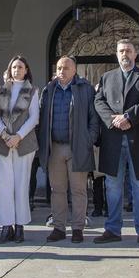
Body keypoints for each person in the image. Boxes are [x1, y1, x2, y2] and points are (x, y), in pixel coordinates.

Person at [93, 39, 139, 246]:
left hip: (138, 139)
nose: (124, 54)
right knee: (112, 186)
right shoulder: (107, 77)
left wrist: (129, 117)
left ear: (135, 54)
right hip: (113, 139)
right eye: (121, 51)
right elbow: (98, 101)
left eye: (128, 50)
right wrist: (113, 119)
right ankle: (112, 229)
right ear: (116, 54)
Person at [38, 55, 100, 244]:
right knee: (57, 189)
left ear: (75, 70)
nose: (61, 71)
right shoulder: (49, 90)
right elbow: (41, 118)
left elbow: (94, 119)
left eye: (65, 68)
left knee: (79, 190)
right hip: (55, 147)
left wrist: (88, 140)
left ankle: (78, 228)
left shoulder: (85, 89)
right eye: (58, 68)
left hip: (77, 148)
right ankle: (58, 227)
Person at [0, 55, 40, 244]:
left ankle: (20, 226)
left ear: (26, 69)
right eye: (13, 67)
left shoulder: (33, 90)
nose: (16, 70)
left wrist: (17, 136)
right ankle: (6, 226)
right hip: (3, 143)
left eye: (20, 67)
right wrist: (5, 135)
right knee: (4, 186)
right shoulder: (1, 90)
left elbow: (34, 117)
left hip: (24, 143)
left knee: (21, 184)